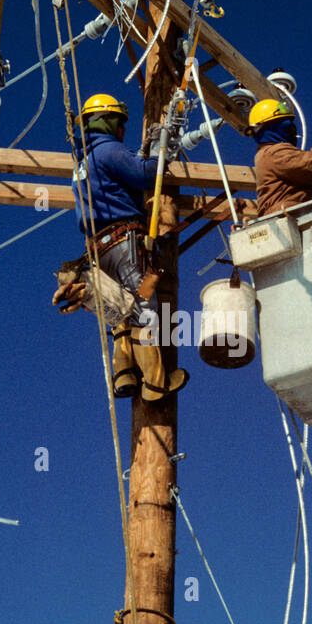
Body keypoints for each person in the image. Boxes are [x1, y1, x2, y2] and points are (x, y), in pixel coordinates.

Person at [62, 92, 188, 401]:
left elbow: (122, 179)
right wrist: (159, 152)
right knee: (143, 308)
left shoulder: (83, 161)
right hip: (124, 243)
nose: (122, 131)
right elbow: (146, 176)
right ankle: (157, 383)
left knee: (120, 312)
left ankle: (125, 375)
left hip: (99, 251)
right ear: (109, 122)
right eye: (120, 124)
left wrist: (141, 152)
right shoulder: (108, 150)